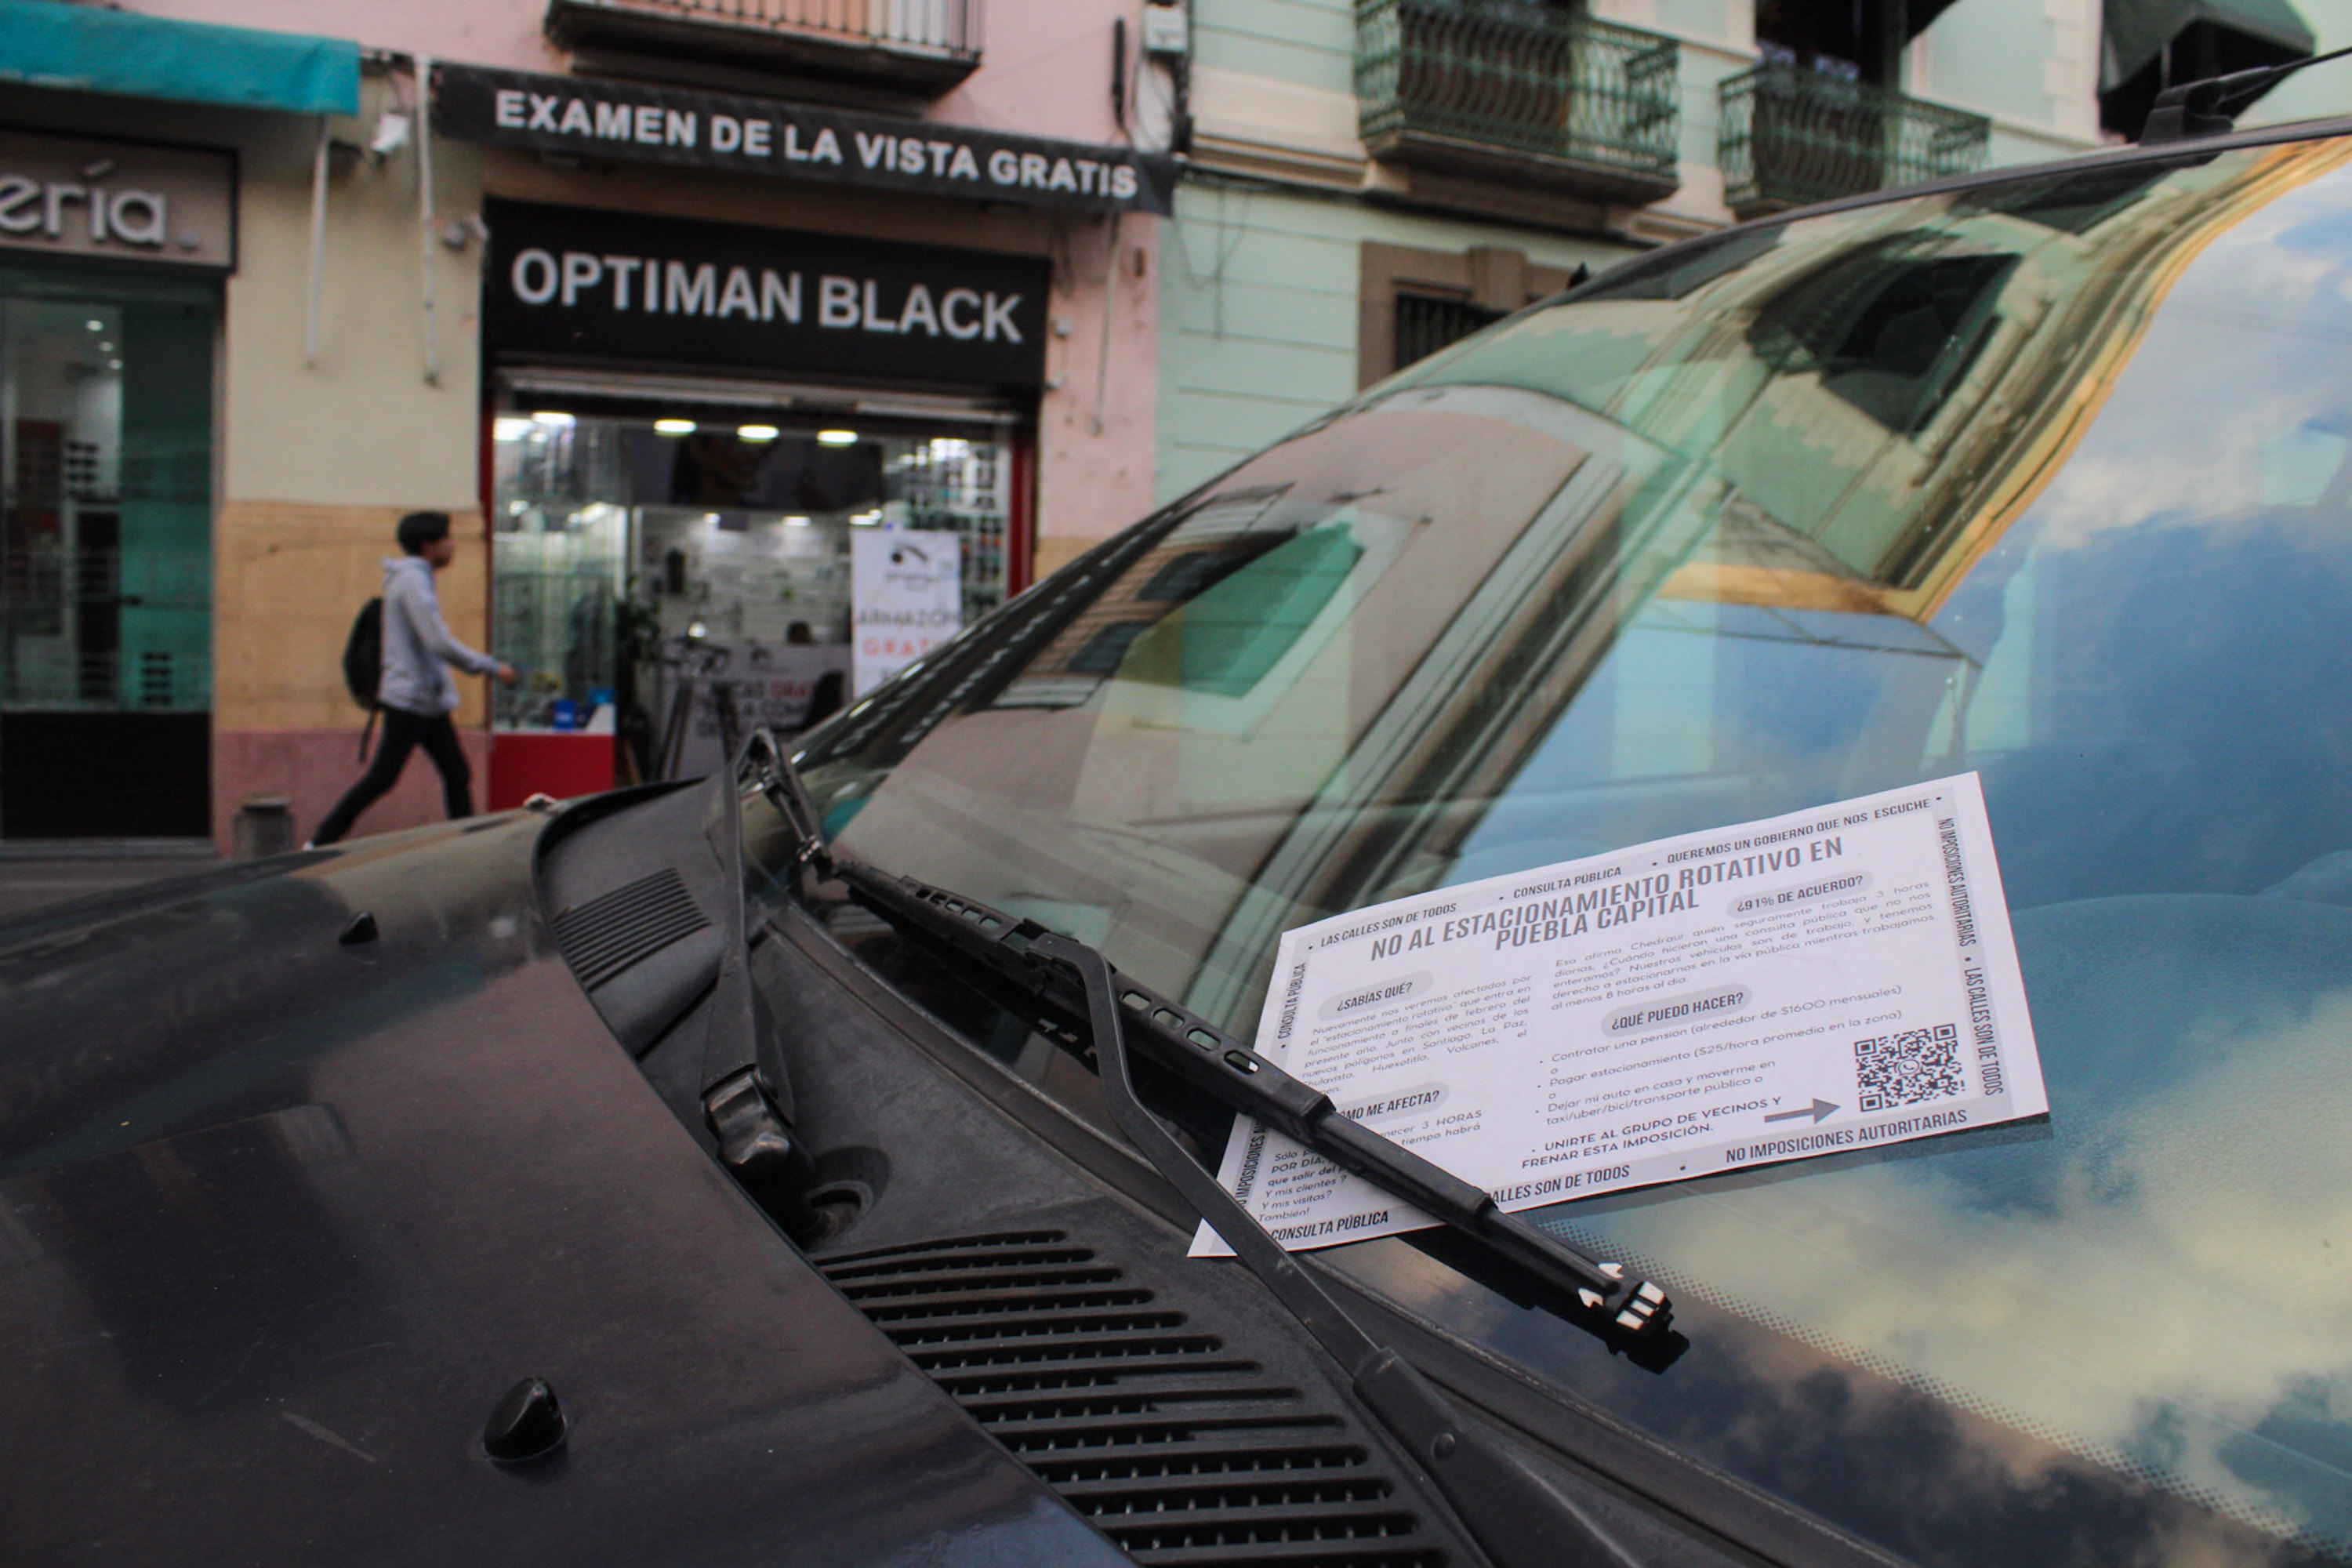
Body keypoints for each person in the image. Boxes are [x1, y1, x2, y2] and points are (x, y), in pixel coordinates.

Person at [310, 511, 517, 846]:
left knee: (456, 774)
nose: (453, 546)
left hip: (425, 700)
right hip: (410, 700)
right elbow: (436, 640)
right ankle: (320, 840)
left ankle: (469, 846)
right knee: (383, 778)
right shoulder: (412, 581)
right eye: (446, 539)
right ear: (428, 545)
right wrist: (491, 667)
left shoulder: (413, 578)